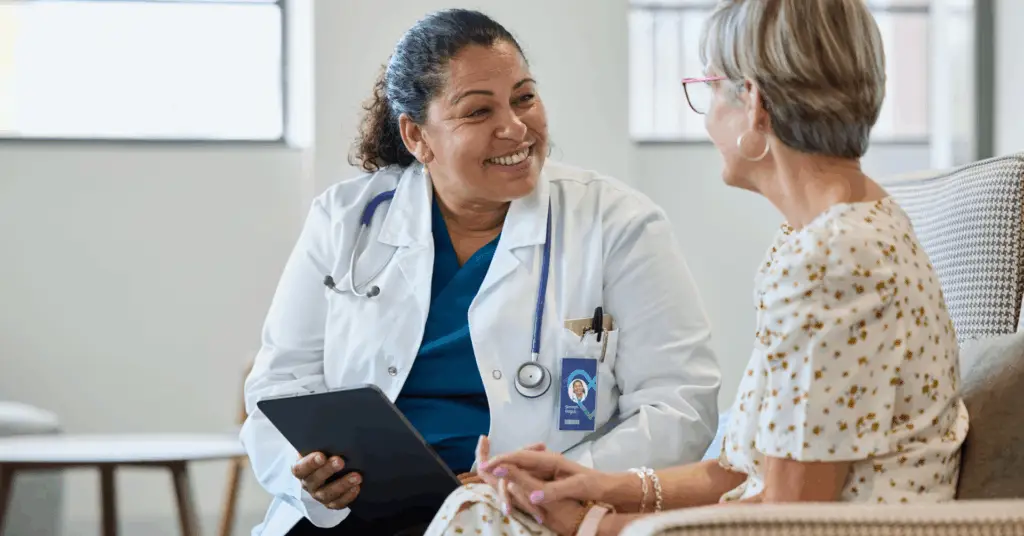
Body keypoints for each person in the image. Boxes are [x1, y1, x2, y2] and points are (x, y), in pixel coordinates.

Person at [422, 0, 970, 534]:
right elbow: (741, 470)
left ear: (752, 105)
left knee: (477, 515)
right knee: (482, 508)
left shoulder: (831, 263)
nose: (707, 116)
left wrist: (594, 525)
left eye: (708, 89)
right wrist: (590, 484)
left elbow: (792, 517)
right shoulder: (828, 232)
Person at [239, 8, 722, 536]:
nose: (515, 128)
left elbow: (679, 406)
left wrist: (561, 480)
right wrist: (307, 474)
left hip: (528, 513)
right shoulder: (345, 221)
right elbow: (281, 386)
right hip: (360, 509)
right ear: (417, 136)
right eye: (477, 112)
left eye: (524, 98)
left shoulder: (618, 224)